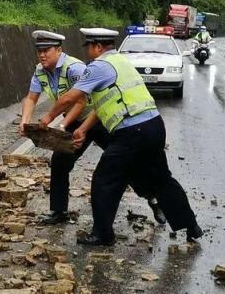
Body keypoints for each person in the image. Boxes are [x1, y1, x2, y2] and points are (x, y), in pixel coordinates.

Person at [38, 28, 202, 246]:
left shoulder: (98, 66)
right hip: (153, 127)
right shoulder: (121, 62)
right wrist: (84, 129)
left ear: (97, 46)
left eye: (89, 47)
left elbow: (70, 98)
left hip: (131, 132)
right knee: (162, 179)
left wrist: (47, 119)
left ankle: (102, 234)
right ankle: (191, 225)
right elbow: (100, 105)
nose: (87, 51)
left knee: (104, 180)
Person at [20, 30, 165, 226]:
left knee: (123, 163)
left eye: (46, 50)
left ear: (59, 50)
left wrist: (61, 124)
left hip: (97, 119)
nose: (42, 55)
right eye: (39, 51)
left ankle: (153, 198)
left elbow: (79, 101)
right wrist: (25, 121)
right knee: (59, 162)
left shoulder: (75, 68)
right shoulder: (40, 70)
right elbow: (31, 98)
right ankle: (59, 211)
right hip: (74, 122)